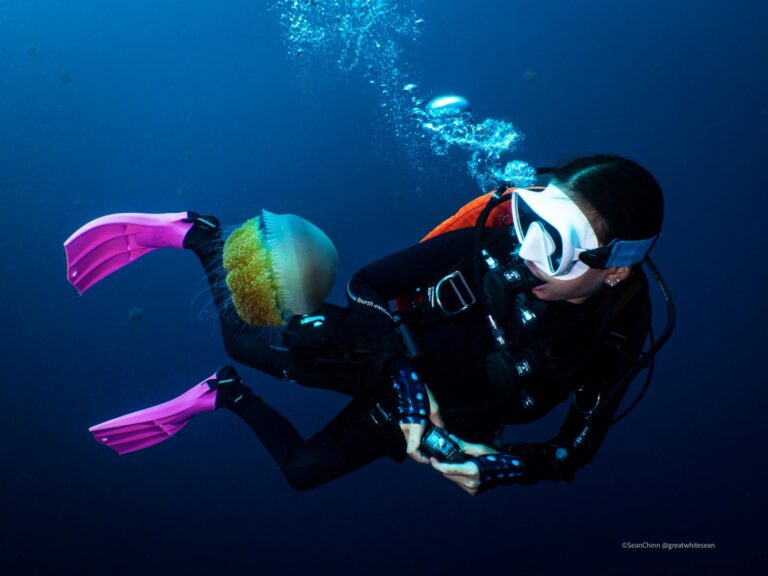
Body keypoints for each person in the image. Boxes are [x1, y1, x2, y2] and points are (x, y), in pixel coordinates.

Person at [67, 154, 671, 496]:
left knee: (303, 471)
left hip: (447, 417)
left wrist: (499, 467)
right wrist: (408, 390)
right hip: (379, 354)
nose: (526, 250)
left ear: (615, 272)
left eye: (557, 245)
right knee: (241, 338)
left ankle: (221, 394)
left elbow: (573, 450)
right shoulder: (493, 239)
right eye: (528, 219)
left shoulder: (617, 332)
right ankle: (200, 235)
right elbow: (368, 286)